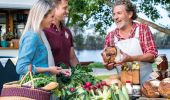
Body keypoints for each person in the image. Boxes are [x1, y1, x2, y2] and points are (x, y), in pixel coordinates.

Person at [102, 0, 158, 84]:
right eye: (114, 14)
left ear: (130, 14)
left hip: (147, 84)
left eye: (119, 13)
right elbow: (110, 64)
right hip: (125, 87)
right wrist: (108, 65)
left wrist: (130, 59)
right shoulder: (110, 36)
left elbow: (152, 56)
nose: (115, 17)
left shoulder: (142, 29)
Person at [16, 0, 65, 76]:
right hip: (32, 86)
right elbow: (21, 68)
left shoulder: (40, 34)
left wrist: (52, 69)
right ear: (42, 16)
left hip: (40, 84)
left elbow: (39, 62)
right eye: (51, 17)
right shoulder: (32, 36)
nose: (53, 21)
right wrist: (48, 69)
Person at [44, 0, 79, 67]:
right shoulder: (44, 31)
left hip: (68, 76)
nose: (67, 11)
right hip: (52, 76)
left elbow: (72, 58)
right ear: (54, 8)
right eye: (65, 8)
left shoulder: (67, 31)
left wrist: (82, 75)